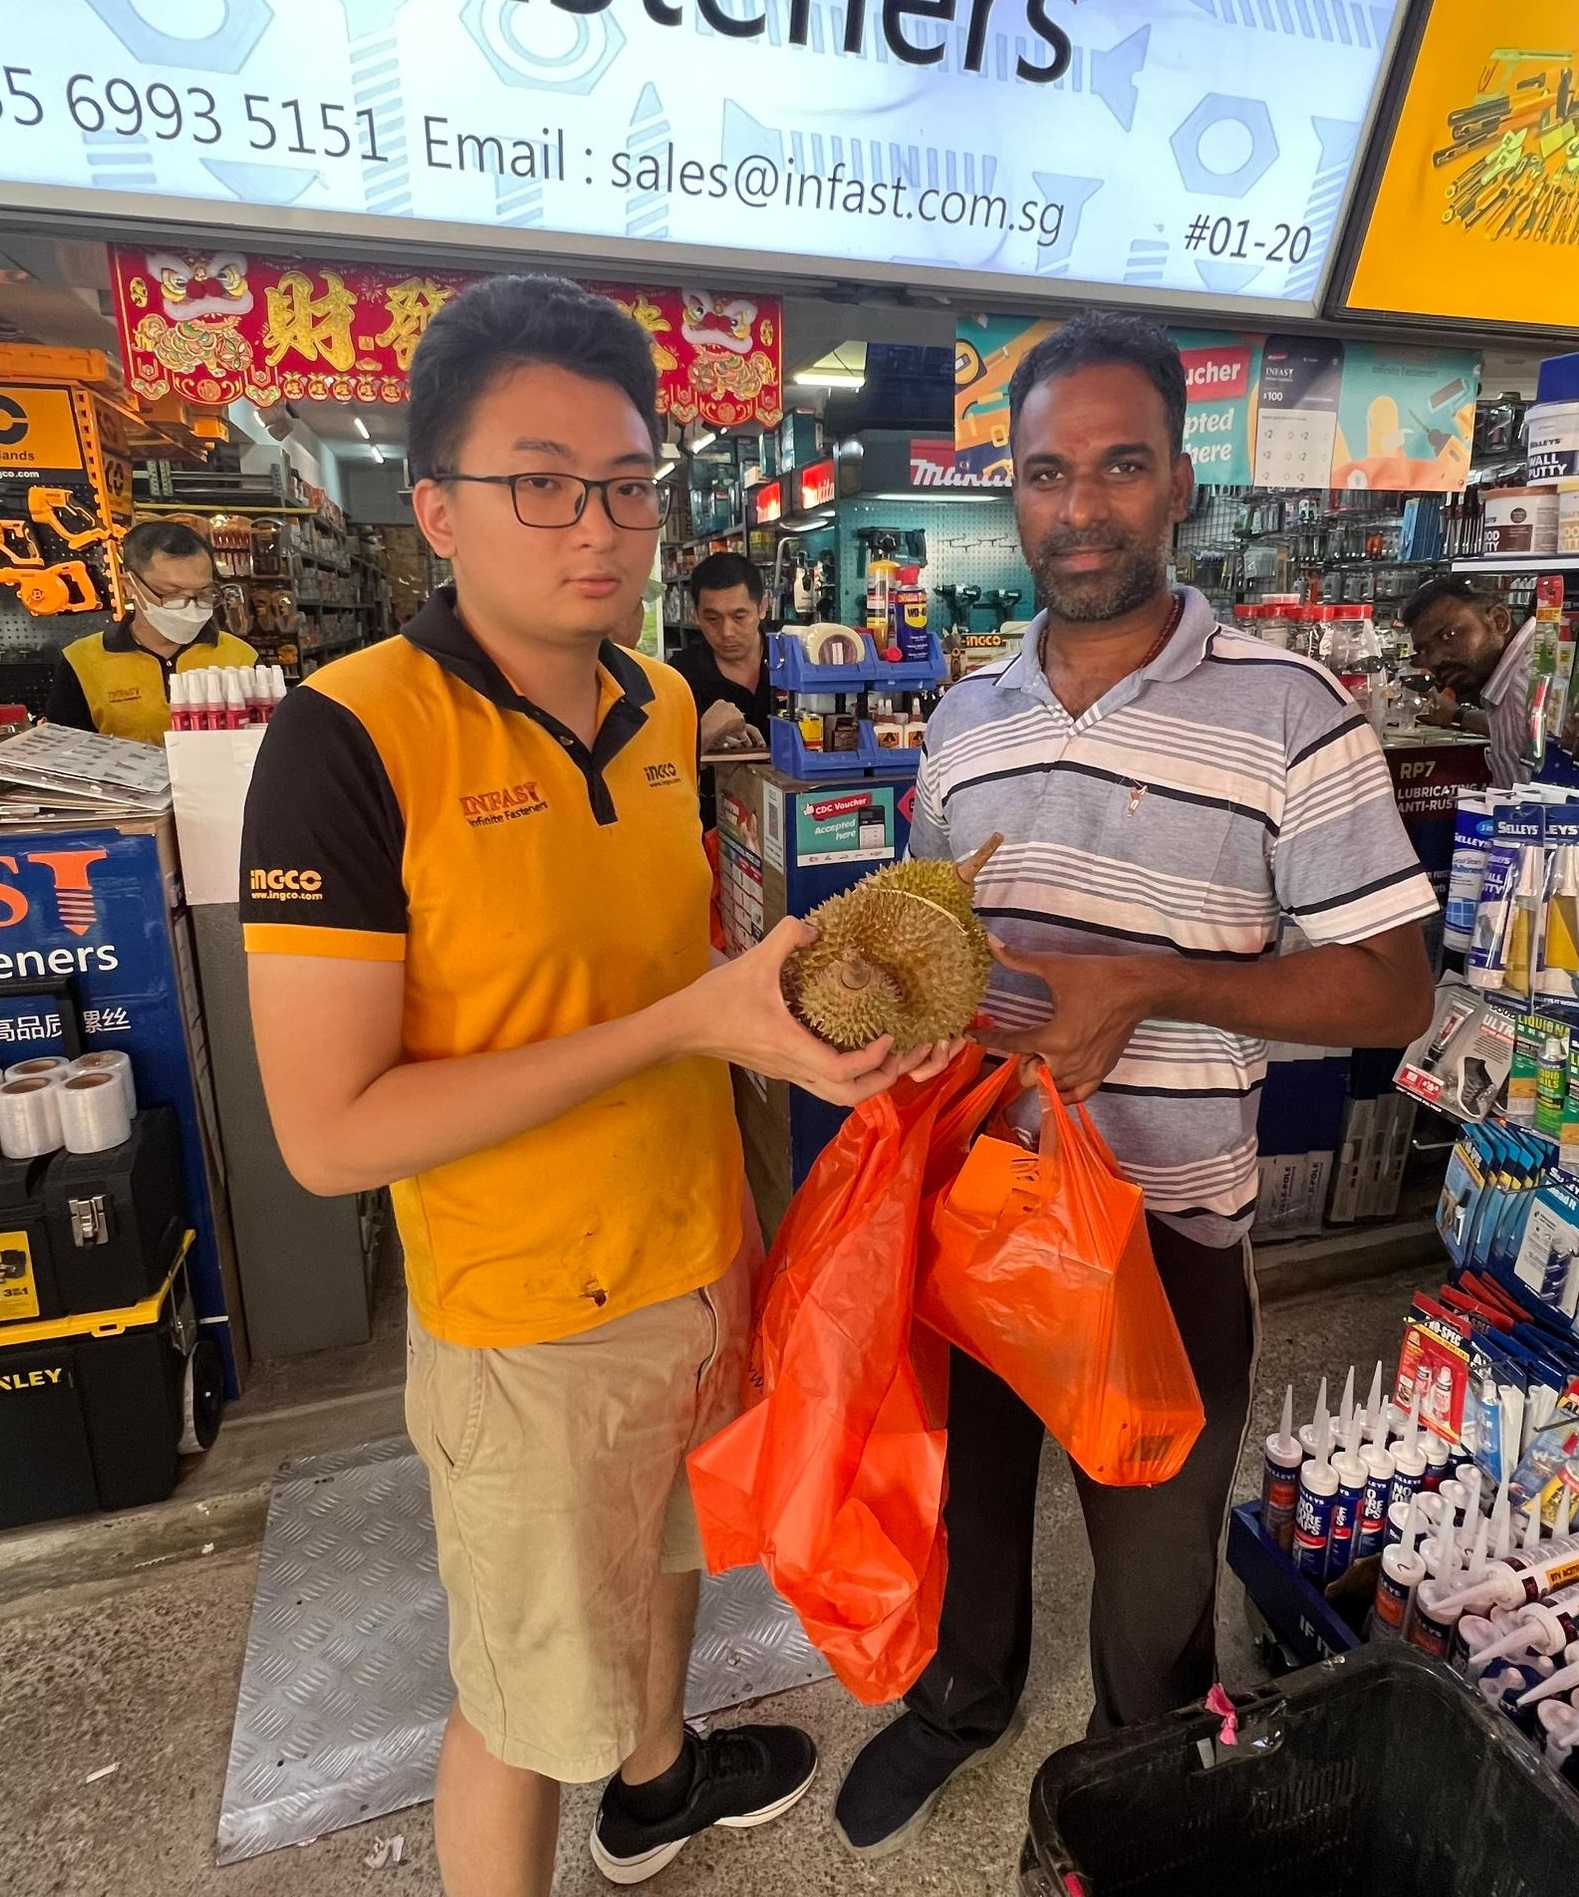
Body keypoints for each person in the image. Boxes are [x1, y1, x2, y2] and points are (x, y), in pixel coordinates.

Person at [239, 274, 946, 1897]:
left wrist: (822, 990)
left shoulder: (661, 710)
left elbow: (676, 976)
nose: (598, 525)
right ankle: (588, 1789)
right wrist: (688, 1024)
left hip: (704, 1260)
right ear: (432, 507)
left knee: (668, 1571)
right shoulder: (347, 739)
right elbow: (331, 1133)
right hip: (528, 1326)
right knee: (519, 1702)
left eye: (628, 482)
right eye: (539, 481)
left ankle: (658, 1788)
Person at [832, 312, 1437, 1857]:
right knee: (973, 1503)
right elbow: (934, 944)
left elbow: (1393, 986)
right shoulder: (963, 725)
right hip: (978, 1208)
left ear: (1178, 482)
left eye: (1118, 466)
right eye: (1047, 471)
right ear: (1012, 490)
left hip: (1165, 1234)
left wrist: (1154, 982)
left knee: (1156, 1574)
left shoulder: (1296, 713)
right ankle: (966, 1699)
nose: (1080, 505)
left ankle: (1134, 1770)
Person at [44, 517, 257, 743]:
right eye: (172, 592)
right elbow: (65, 756)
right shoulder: (82, 662)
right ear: (130, 586)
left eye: (203, 592)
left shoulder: (241, 657)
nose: (191, 605)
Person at [1403, 574, 1537, 787]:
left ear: (1499, 621)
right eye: (1424, 650)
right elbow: (1518, 733)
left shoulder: (1529, 680)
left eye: (1449, 635)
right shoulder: (1515, 674)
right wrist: (1457, 715)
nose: (1435, 659)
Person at [671, 551, 771, 830]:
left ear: (763, 607)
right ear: (696, 616)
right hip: (712, 830)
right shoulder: (678, 676)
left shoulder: (796, 661)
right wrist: (702, 732)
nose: (727, 631)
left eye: (740, 616)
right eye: (712, 619)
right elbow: (661, 771)